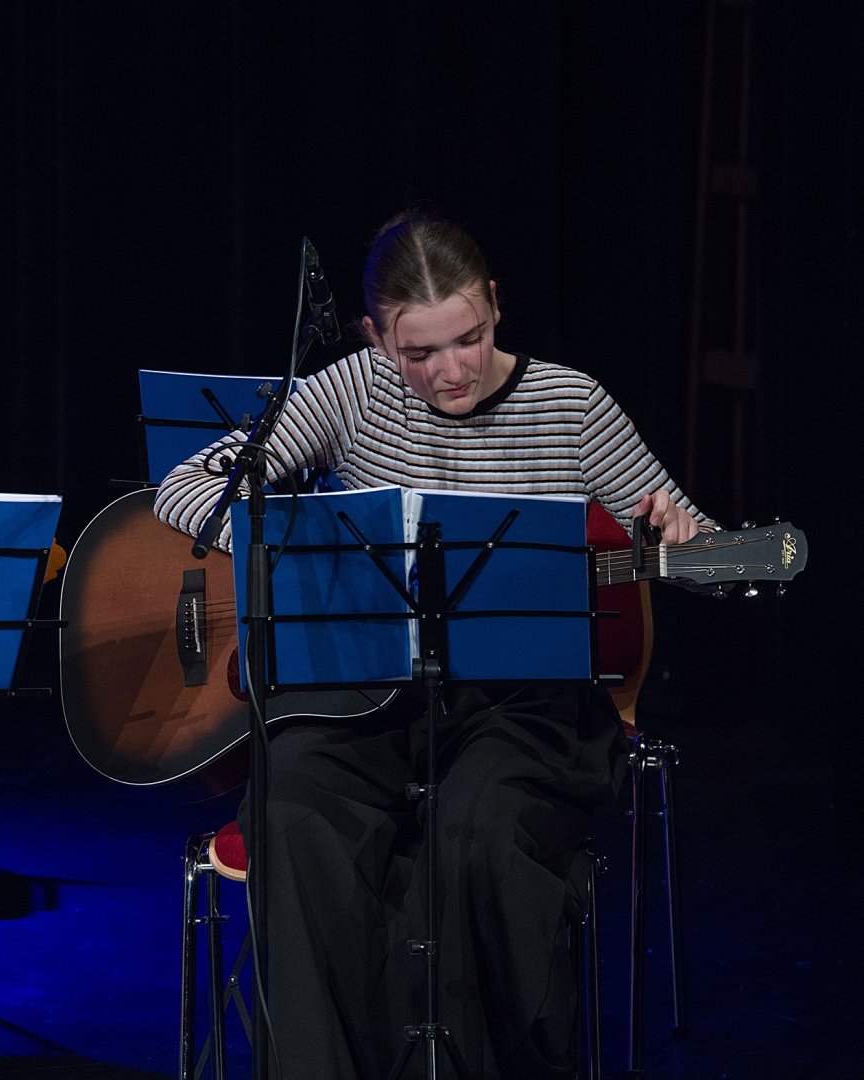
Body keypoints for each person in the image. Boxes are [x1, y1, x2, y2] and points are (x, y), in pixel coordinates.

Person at [154, 210, 712, 1079]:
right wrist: (286, 543)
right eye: (420, 352)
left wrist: (682, 539)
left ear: (494, 304)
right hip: (373, 696)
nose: (452, 370)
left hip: (523, 705)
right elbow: (185, 488)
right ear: (378, 339)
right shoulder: (352, 390)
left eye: (470, 338)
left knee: (480, 827)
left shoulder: (570, 403)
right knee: (292, 807)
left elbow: (703, 549)